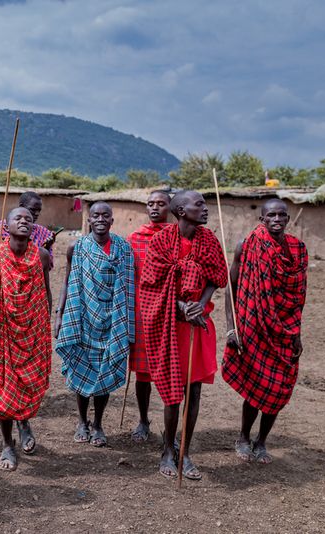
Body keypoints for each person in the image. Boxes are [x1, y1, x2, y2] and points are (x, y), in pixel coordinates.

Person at [140, 191, 227, 481]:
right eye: (198, 205)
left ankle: (185, 451)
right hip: (170, 325)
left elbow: (217, 276)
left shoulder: (209, 240)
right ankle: (167, 449)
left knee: (194, 391)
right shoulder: (161, 242)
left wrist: (200, 305)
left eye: (204, 204)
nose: (205, 209)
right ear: (180, 210)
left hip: (198, 324)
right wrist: (179, 306)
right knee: (172, 394)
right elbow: (150, 285)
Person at [222, 199, 308, 464]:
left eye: (282, 214)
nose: (277, 219)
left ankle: (262, 441)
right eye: (271, 215)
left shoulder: (298, 249)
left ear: (288, 218)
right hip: (254, 327)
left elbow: (298, 297)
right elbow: (231, 287)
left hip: (285, 330)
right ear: (262, 219)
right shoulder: (247, 245)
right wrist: (230, 328)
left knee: (280, 387)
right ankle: (244, 437)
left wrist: (296, 334)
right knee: (257, 386)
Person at [0, 206, 52, 471]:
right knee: (3, 388)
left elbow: (46, 292)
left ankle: (24, 423)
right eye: (18, 218)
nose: (24, 222)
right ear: (5, 227)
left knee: (25, 386)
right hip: (1, 330)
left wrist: (46, 326)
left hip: (32, 331)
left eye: (29, 219)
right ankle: (7, 444)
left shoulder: (41, 256)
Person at [54, 201, 135, 448]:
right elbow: (68, 282)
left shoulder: (123, 248)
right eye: (95, 215)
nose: (100, 219)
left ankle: (98, 423)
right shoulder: (77, 248)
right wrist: (60, 315)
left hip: (114, 320)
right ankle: (82, 421)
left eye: (105, 215)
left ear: (112, 220)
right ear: (88, 220)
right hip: (83, 317)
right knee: (81, 369)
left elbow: (130, 288)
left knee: (105, 371)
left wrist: (128, 325)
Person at [126, 191, 171, 442]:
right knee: (142, 374)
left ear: (171, 207)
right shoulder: (135, 238)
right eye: (151, 204)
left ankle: (171, 427)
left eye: (161, 204)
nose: (155, 208)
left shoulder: (177, 237)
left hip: (169, 314)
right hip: (141, 312)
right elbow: (128, 275)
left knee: (169, 374)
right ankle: (143, 420)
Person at [0, 191, 56, 264]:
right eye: (33, 210)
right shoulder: (2, 228)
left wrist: (46, 248)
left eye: (39, 210)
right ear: (21, 206)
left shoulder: (43, 233)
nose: (37, 213)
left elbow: (46, 266)